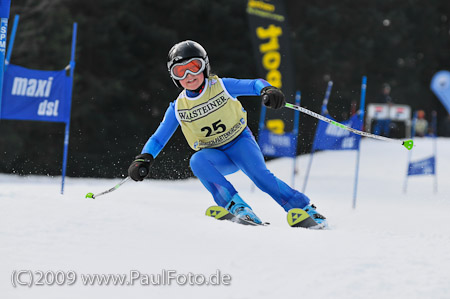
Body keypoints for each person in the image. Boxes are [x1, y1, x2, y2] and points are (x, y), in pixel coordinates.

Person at [127, 40, 327, 229]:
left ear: (204, 66)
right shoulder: (178, 107)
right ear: (174, 77)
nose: (188, 75)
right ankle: (237, 207)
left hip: (240, 143)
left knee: (260, 177)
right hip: (216, 154)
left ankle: (304, 209)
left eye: (194, 66)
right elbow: (158, 138)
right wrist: (144, 158)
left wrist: (267, 90)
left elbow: (253, 84)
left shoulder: (221, 86)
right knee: (197, 161)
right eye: (180, 71)